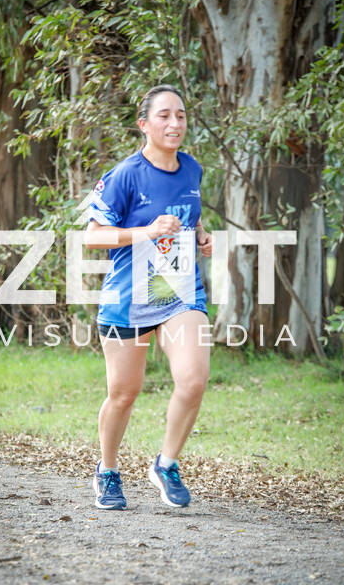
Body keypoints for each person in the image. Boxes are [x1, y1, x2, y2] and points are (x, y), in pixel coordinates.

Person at [85, 84, 212, 510]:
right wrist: (147, 232)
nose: (175, 123)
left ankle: (166, 464)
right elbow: (93, 237)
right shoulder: (125, 175)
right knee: (124, 393)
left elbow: (190, 218)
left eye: (181, 115)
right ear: (144, 124)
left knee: (193, 379)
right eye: (164, 116)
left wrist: (201, 236)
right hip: (128, 296)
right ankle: (107, 471)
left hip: (180, 292)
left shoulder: (192, 169)